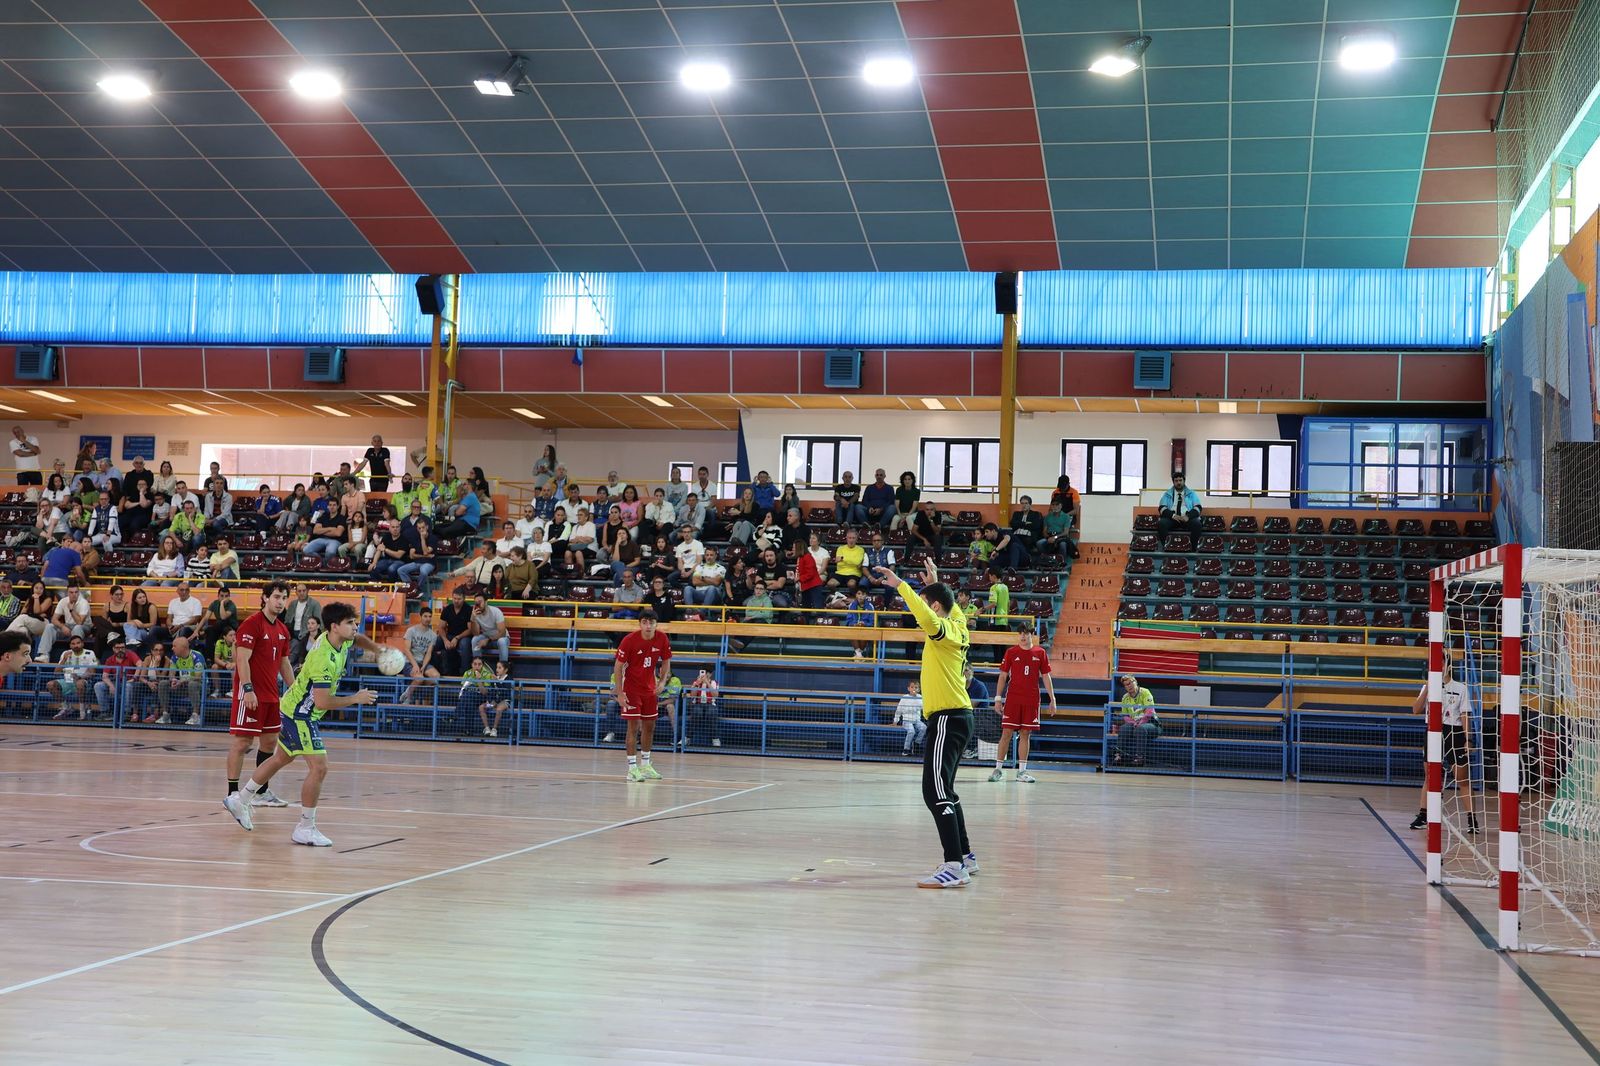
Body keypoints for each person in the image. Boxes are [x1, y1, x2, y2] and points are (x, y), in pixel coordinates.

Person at [226, 602, 382, 845]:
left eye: (355, 622)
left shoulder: (339, 639)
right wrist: (355, 698)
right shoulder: (323, 659)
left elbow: (358, 638)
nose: (355, 627)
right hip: (301, 714)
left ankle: (241, 798)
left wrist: (377, 649)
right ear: (334, 627)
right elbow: (321, 702)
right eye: (350, 623)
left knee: (281, 758)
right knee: (319, 767)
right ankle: (305, 827)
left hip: (293, 709)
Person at [872, 559, 976, 888]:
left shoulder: (942, 631)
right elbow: (949, 605)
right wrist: (936, 582)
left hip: (946, 718)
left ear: (933, 606)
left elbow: (927, 615)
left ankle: (954, 865)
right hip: (960, 716)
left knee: (934, 791)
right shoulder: (960, 624)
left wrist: (900, 585)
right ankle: (966, 857)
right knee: (946, 789)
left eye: (926, 600)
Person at [223, 581, 296, 814]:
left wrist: (294, 690)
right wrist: (247, 689)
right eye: (276, 596)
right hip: (250, 694)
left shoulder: (283, 630)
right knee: (242, 742)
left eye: (284, 598)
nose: (280, 602)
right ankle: (232, 794)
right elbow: (242, 659)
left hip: (272, 697)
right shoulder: (251, 624)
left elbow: (284, 664)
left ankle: (261, 792)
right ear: (264, 598)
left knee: (270, 742)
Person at [1408, 649, 1479, 834]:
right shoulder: (1428, 686)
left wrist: (1468, 738)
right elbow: (1415, 709)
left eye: (1439, 662)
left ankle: (1472, 819)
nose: (1436, 666)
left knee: (1462, 778)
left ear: (1447, 664)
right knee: (1430, 776)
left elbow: (1464, 715)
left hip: (1454, 733)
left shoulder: (1460, 688)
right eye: (1433, 663)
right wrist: (1428, 688)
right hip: (1433, 732)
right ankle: (1423, 815)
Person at [989, 622, 1056, 783]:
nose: (1023, 636)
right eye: (1020, 633)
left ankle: (1022, 772)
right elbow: (1003, 676)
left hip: (1032, 699)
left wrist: (1052, 699)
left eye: (1026, 633)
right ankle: (998, 769)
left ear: (1032, 634)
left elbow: (1046, 676)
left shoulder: (1040, 653)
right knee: (1006, 732)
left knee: (1026, 733)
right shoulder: (1011, 652)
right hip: (1013, 698)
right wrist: (998, 698)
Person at [613, 608, 672, 782]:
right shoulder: (629, 640)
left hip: (649, 689)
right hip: (631, 688)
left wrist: (661, 682)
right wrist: (620, 693)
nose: (648, 626)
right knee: (633, 727)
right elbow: (617, 667)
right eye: (644, 622)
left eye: (651, 622)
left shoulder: (662, 638)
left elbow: (666, 659)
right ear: (640, 624)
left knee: (649, 726)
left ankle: (645, 765)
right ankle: (632, 768)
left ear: (656, 624)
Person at [1110, 674, 1160, 767]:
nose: (1129, 686)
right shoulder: (1125, 698)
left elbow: (1149, 712)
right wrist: (1134, 723)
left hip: (1151, 724)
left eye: (1130, 683)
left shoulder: (1145, 692)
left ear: (1135, 682)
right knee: (1124, 728)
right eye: (1126, 685)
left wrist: (1139, 723)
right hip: (1135, 724)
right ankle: (1119, 756)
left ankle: (1139, 758)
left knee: (1140, 729)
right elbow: (1125, 715)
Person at [47, 633, 98, 720]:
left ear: (82, 644)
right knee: (50, 684)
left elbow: (92, 672)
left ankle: (82, 710)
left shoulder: (90, 653)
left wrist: (80, 677)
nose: (76, 646)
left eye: (78, 643)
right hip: (68, 681)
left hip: (83, 682)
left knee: (79, 683)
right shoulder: (65, 653)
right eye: (73, 644)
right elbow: (56, 672)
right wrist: (64, 659)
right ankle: (66, 707)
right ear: (70, 645)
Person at [95, 632, 142, 721]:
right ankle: (105, 712)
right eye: (117, 648)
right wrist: (111, 686)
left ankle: (126, 713)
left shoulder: (131, 654)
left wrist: (134, 678)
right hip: (116, 682)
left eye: (122, 648)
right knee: (98, 685)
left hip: (131, 683)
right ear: (113, 649)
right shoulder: (110, 660)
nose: (120, 650)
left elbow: (140, 664)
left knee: (127, 686)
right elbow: (105, 676)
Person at [400, 606, 441, 704]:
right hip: (409, 662)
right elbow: (406, 650)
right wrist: (415, 665)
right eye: (425, 616)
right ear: (421, 617)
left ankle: (415, 693)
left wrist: (423, 666)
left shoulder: (433, 635)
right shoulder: (411, 631)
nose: (428, 619)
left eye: (430, 617)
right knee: (419, 678)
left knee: (436, 676)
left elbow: (428, 653)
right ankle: (408, 696)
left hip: (422, 662)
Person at [1157, 471, 1202, 545]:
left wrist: (1188, 516)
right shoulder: (1167, 494)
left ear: (1184, 481)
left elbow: (1198, 507)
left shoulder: (1192, 494)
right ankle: (1166, 546)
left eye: (1180, 480)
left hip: (1187, 518)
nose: (1178, 482)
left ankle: (1193, 549)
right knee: (1161, 524)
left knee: (1197, 524)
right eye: (1176, 481)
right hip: (1172, 518)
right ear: (1173, 482)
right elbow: (1161, 508)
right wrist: (1173, 516)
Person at [439, 586, 472, 676]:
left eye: (459, 599)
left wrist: (457, 638)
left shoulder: (469, 610)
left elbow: (470, 630)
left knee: (465, 644)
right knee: (435, 642)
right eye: (454, 598)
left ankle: (464, 674)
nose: (456, 601)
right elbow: (441, 627)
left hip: (464, 636)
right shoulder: (447, 609)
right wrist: (445, 640)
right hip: (449, 635)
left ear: (464, 598)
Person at [469, 593, 511, 664]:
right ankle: (478, 667)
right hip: (487, 636)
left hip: (501, 638)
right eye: (476, 603)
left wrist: (488, 640)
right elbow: (475, 633)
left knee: (502, 641)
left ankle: (503, 668)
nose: (478, 605)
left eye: (480, 602)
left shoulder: (496, 611)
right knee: (475, 640)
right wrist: (473, 619)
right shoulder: (475, 614)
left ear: (486, 602)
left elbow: (502, 633)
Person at [685, 668, 720, 748]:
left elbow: (715, 695)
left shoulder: (714, 683)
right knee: (697, 711)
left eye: (707, 673)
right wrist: (697, 684)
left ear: (710, 674)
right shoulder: (696, 682)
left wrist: (707, 683)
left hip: (710, 704)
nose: (704, 675)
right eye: (703, 672)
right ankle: (688, 738)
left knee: (711, 712)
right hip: (698, 703)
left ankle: (715, 738)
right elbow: (692, 695)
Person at [894, 680, 925, 756]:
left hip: (917, 720)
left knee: (924, 728)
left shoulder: (920, 698)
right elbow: (899, 709)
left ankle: (916, 743)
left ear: (919, 689)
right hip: (907, 720)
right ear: (908, 688)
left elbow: (923, 708)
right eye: (912, 687)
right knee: (911, 731)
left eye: (916, 687)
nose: (914, 689)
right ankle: (906, 749)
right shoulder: (905, 698)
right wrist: (896, 720)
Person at [844, 586, 876, 660]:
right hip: (854, 628)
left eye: (863, 594)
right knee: (852, 629)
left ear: (866, 596)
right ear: (856, 595)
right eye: (859, 594)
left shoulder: (870, 606)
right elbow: (848, 620)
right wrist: (854, 624)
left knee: (863, 633)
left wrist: (865, 624)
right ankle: (859, 655)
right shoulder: (852, 605)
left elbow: (872, 622)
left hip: (866, 628)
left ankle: (858, 654)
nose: (861, 596)